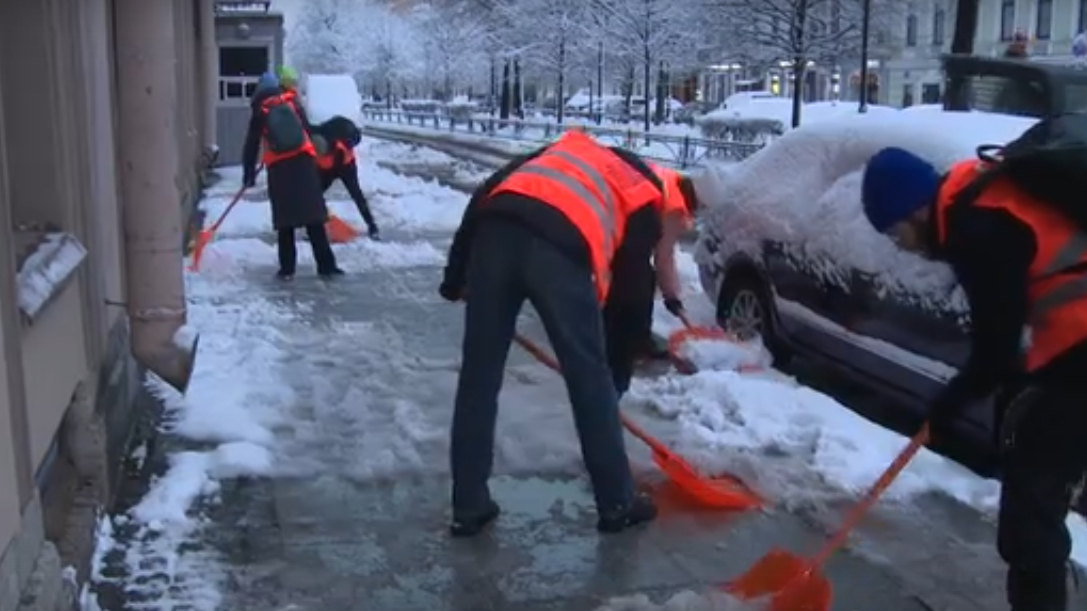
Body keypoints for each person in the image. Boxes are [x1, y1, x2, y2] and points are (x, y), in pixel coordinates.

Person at [860, 146, 1087, 611]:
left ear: (915, 208)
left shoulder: (977, 229)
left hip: (1079, 354)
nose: (899, 244)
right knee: (1037, 492)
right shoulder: (976, 195)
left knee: (1028, 525)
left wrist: (944, 409)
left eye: (894, 230)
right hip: (1070, 353)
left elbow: (995, 352)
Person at [439, 130, 697, 537]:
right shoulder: (645, 192)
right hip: (558, 251)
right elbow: (633, 285)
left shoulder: (565, 150)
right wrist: (622, 357)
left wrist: (455, 278)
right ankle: (617, 502)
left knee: (478, 378)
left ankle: (468, 506)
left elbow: (487, 192)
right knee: (589, 379)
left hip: (494, 235)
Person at [242, 70, 343, 280]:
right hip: (303, 164)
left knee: (285, 223)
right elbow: (306, 130)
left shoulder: (261, 109)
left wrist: (248, 173)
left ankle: (287, 270)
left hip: (280, 170)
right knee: (314, 219)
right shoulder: (291, 102)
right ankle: (327, 266)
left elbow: (251, 144)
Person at [312, 116, 381, 239]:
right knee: (314, 196)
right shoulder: (315, 134)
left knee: (356, 194)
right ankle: (316, 228)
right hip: (326, 168)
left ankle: (372, 226)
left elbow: (355, 137)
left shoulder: (342, 131)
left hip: (345, 166)